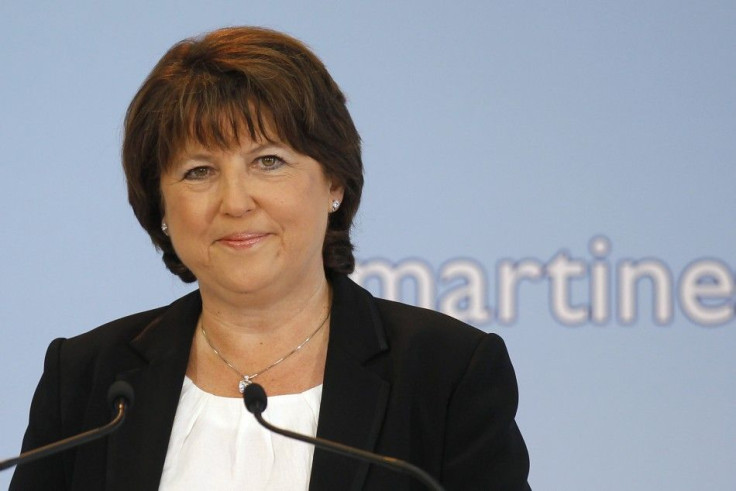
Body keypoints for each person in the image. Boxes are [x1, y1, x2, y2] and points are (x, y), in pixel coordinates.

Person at [11, 26, 530, 490]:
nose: (235, 202)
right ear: (160, 205)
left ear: (334, 182)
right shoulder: (87, 380)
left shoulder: (446, 373)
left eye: (268, 161)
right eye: (198, 171)